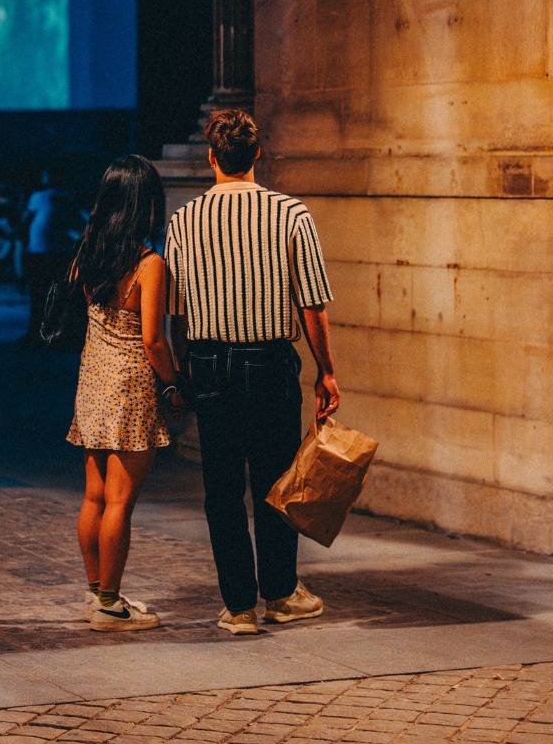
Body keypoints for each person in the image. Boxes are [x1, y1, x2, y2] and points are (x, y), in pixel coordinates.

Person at [165, 108, 340, 636]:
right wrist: (326, 371)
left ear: (212, 158)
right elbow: (313, 306)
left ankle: (238, 606)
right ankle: (281, 593)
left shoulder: (183, 221)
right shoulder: (292, 215)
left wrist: (184, 371)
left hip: (209, 364)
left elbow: (177, 310)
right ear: (258, 155)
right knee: (274, 483)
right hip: (269, 365)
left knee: (221, 488)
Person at [67, 155, 182, 633]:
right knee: (120, 501)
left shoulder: (86, 254)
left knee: (93, 496)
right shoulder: (147, 264)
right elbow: (153, 339)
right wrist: (174, 382)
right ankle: (111, 605)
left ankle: (97, 592)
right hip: (131, 386)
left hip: (92, 380)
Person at [20, 168, 80, 346]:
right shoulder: (66, 197)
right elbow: (75, 221)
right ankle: (51, 334)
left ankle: (36, 334)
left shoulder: (38, 197)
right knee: (54, 294)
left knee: (38, 294)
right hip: (57, 251)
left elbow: (26, 221)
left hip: (40, 251)